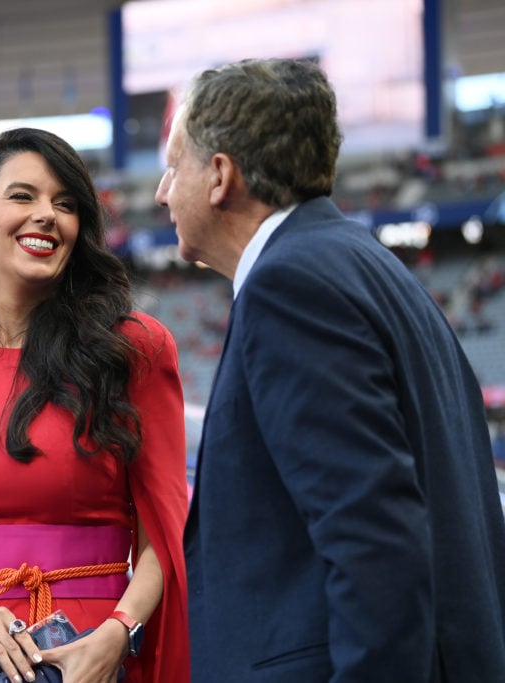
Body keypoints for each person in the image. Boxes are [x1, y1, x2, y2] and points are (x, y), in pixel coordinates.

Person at [160, 58, 505, 681]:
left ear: (219, 176)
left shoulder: (288, 287)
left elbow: (373, 535)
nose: (161, 191)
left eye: (172, 165)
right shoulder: (366, 266)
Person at [0, 127, 190, 682]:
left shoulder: (136, 348)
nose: (47, 214)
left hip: (92, 657)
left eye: (65, 203)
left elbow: (165, 530)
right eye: (23, 196)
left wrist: (119, 632)